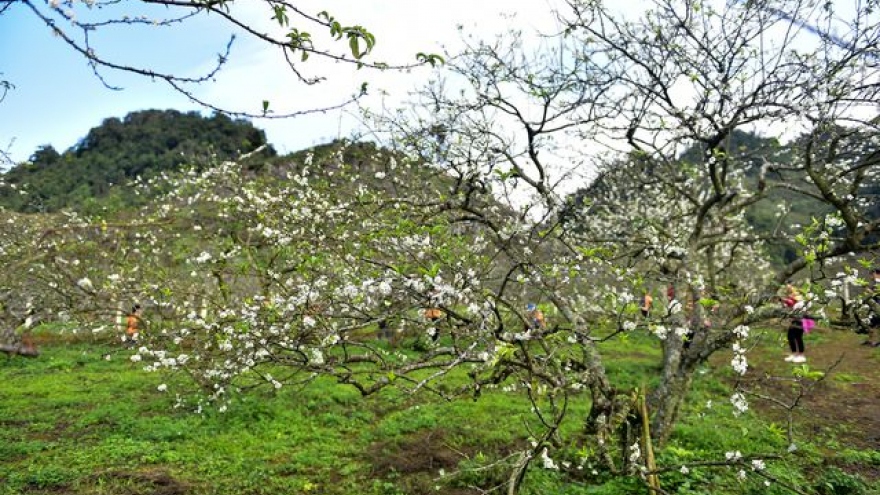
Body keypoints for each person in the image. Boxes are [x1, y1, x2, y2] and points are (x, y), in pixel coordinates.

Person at [862, 268, 880, 347]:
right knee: (871, 323)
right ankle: (870, 341)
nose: (870, 276)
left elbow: (875, 293)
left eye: (871, 274)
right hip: (875, 306)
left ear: (876, 273)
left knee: (875, 323)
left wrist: (867, 289)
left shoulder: (878, 282)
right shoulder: (875, 283)